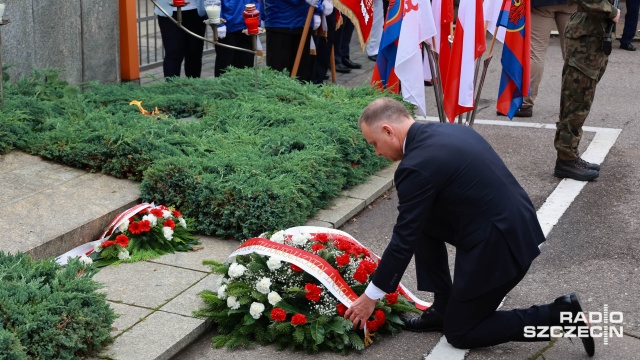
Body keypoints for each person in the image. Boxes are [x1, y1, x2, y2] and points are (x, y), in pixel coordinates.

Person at [344, 97, 595, 356]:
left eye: (374, 143)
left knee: (461, 332)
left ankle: (560, 316)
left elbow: (403, 240)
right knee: (421, 218)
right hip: (513, 225)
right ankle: (442, 307)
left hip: (499, 247)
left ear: (388, 131)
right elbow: (414, 227)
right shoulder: (451, 130)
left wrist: (371, 296)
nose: (376, 152)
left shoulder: (416, 167)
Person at [554, 0, 620, 181]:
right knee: (576, 100)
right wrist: (611, 11)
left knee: (582, 99)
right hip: (585, 39)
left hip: (594, 36)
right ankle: (566, 159)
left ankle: (570, 153)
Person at [518, 0, 578, 117]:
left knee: (535, 53)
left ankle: (526, 103)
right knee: (572, 55)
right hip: (571, 3)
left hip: (541, 4)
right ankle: (574, 103)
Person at [264, 0, 318, 81]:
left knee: (302, 72)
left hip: (304, 22)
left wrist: (319, 8)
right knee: (279, 71)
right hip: (280, 22)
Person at [155, 0, 207, 79]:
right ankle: (172, 89)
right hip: (169, 12)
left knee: (194, 53)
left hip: (195, 11)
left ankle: (193, 87)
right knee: (173, 53)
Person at [214, 0, 264, 77]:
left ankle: (244, 87)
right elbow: (212, 2)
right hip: (228, 26)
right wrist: (218, 22)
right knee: (225, 66)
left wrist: (258, 19)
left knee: (246, 65)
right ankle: (221, 87)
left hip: (249, 24)